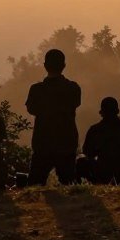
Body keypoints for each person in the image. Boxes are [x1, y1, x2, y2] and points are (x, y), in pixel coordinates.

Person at [25, 48, 82, 185]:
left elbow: (31, 109)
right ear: (63, 65)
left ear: (45, 66)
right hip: (66, 141)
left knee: (35, 184)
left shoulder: (36, 89)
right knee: (69, 183)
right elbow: (75, 103)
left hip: (43, 141)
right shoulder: (73, 88)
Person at [76, 97, 120, 185]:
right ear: (117, 111)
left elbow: (87, 152)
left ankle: (80, 187)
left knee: (80, 162)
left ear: (102, 113)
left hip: (104, 173)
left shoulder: (95, 130)